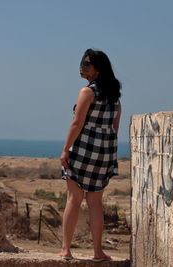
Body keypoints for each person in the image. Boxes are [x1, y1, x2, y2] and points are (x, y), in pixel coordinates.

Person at [59, 48, 122, 262]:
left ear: (97, 69)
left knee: (73, 200)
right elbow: (115, 128)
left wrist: (66, 149)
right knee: (95, 202)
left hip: (84, 149)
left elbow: (78, 123)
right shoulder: (115, 98)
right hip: (105, 152)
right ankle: (97, 252)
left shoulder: (87, 92)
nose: (82, 66)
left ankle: (66, 250)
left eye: (87, 64)